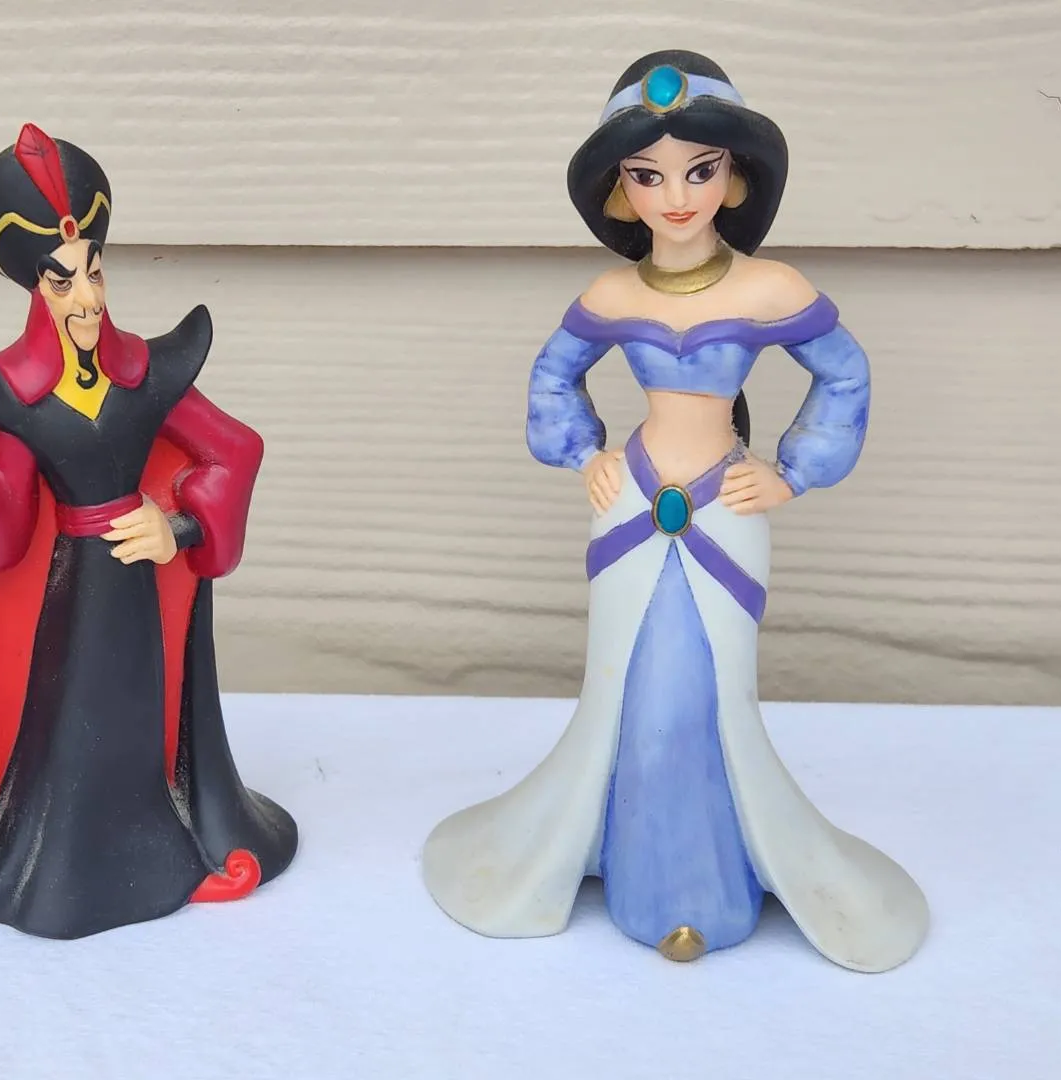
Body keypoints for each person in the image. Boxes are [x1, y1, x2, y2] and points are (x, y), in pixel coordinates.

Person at [420, 51, 927, 971]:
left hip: (726, 508)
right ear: (621, 191)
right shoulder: (612, 295)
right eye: (648, 175)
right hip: (630, 508)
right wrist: (586, 453)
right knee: (624, 692)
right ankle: (643, 876)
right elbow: (553, 376)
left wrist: (792, 472)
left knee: (707, 698)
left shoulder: (771, 289)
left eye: (699, 170)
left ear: (735, 177)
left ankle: (709, 886)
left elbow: (845, 375)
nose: (677, 196)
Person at [0, 123, 298, 948]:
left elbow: (236, 448)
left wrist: (179, 525)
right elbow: (6, 515)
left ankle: (161, 849)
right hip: (70, 599)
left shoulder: (145, 373)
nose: (85, 297)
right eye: (62, 280)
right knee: (67, 726)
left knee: (140, 721)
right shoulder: (18, 396)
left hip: (136, 591)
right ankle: (61, 872)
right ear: (36, 289)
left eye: (94, 272)